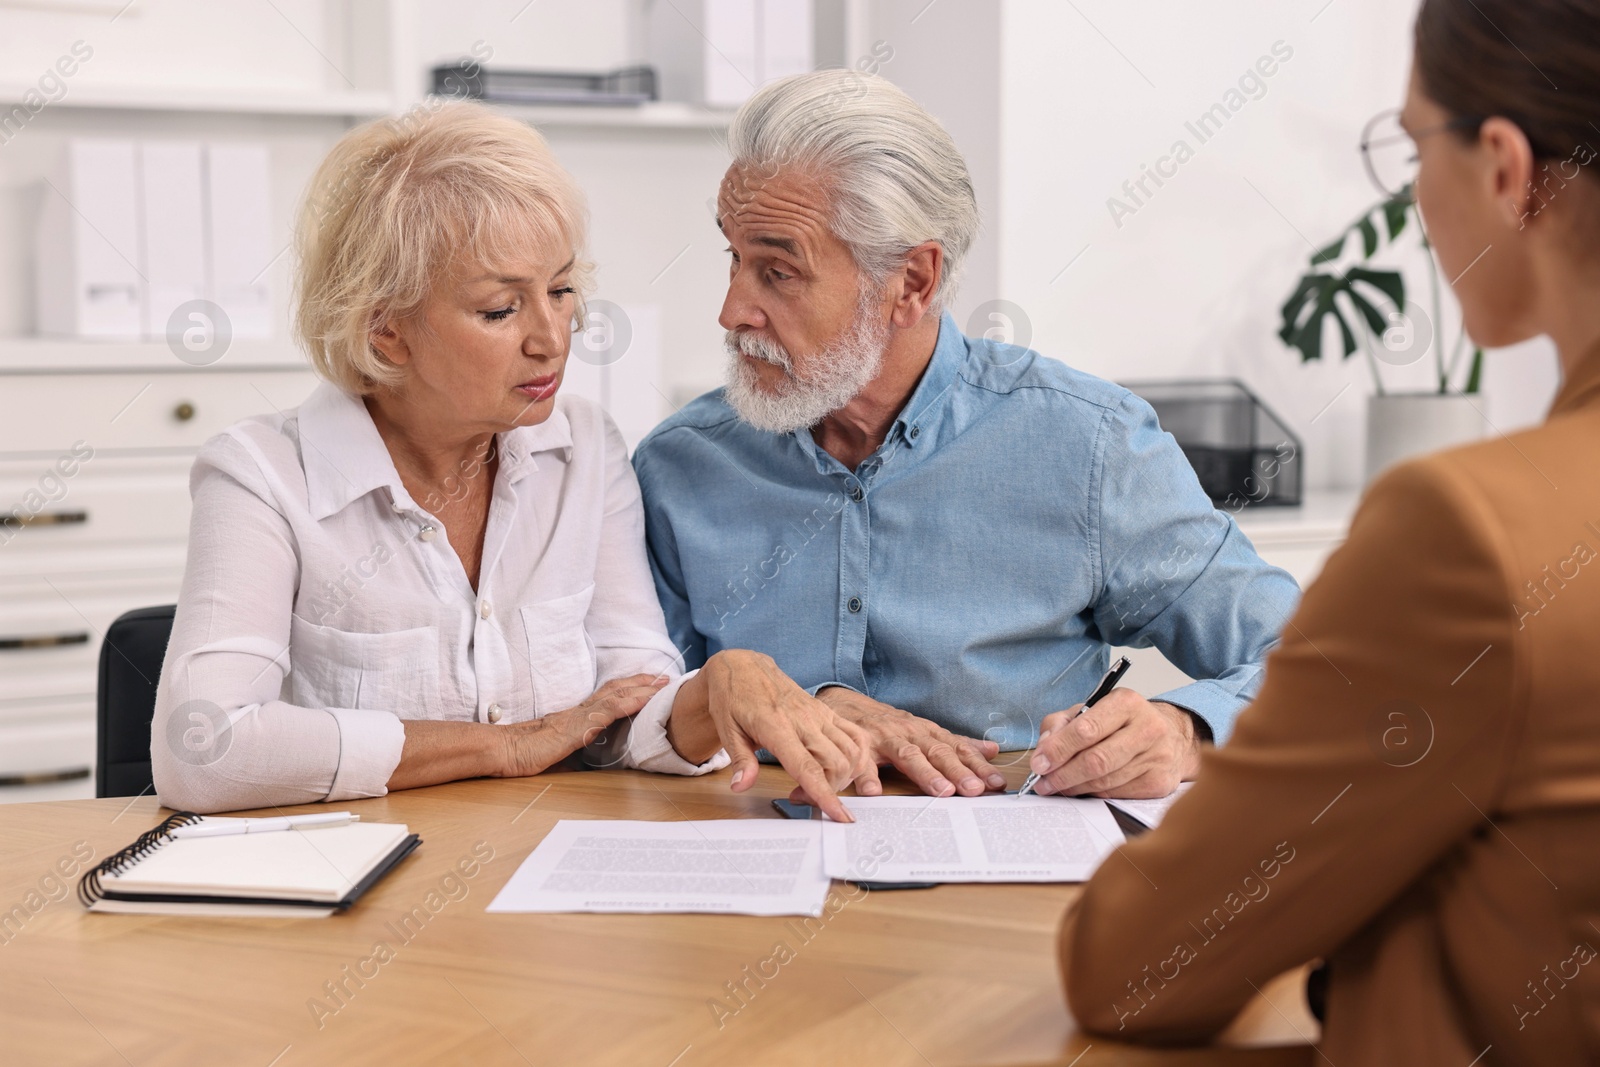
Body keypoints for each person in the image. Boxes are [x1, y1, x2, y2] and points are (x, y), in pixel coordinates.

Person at [1060, 0, 1600, 1061]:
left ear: (1505, 167)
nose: (1410, 194)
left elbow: (1129, 962)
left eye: (1412, 144)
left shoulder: (1468, 531)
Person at [150, 102, 869, 819]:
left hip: (543, 886)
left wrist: (716, 687)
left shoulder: (586, 448)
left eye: (559, 291)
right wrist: (505, 745)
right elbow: (201, 750)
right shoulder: (260, 475)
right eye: (501, 310)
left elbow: (631, 705)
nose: (553, 338)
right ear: (387, 330)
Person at [632, 72, 1299, 803]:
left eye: (778, 271)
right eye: (733, 259)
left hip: (1003, 886)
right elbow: (625, 717)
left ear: (912, 282)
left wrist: (1185, 730)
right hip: (742, 880)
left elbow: (1319, 663)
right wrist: (799, 706)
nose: (733, 311)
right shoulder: (679, 466)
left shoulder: (1087, 446)